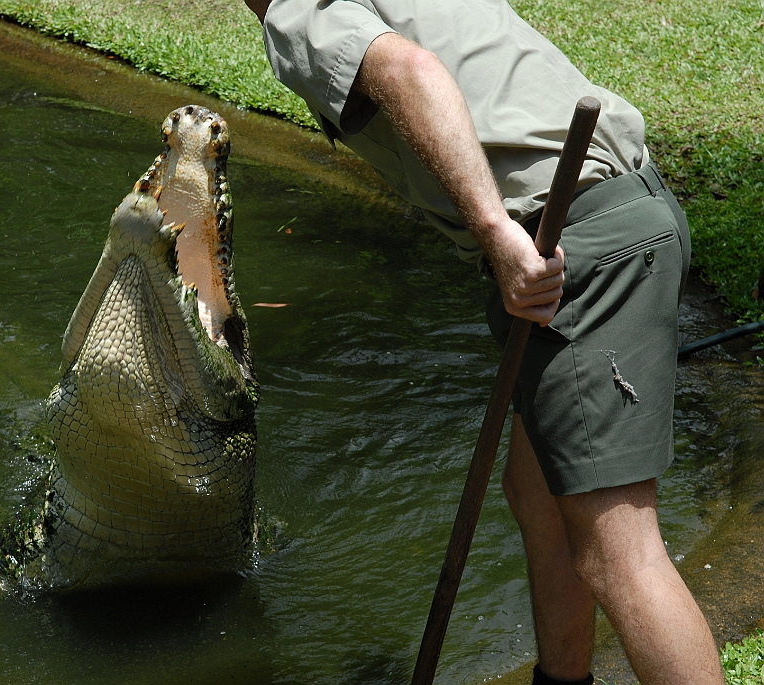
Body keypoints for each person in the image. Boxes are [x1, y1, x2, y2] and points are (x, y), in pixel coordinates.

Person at [240, 0, 723, 683]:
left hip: (571, 246)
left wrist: (495, 231)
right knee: (537, 493)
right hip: (631, 209)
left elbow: (410, 71)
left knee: (621, 554)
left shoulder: (299, 10)